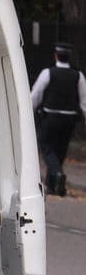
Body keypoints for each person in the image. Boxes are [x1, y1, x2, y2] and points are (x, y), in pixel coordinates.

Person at [31, 42, 86, 196]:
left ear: (55, 55)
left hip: (51, 117)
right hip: (69, 120)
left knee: (46, 146)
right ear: (69, 57)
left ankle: (57, 174)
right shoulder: (78, 75)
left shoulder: (48, 73)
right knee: (60, 151)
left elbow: (35, 95)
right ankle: (54, 185)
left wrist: (29, 111)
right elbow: (84, 101)